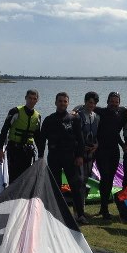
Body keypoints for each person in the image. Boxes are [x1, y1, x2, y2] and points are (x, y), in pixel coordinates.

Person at [37, 92, 88, 224]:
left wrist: (80, 156)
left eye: (65, 101)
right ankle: (55, 212)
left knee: (75, 185)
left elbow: (80, 140)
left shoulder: (74, 119)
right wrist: (41, 156)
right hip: (54, 156)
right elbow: (42, 140)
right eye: (60, 101)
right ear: (55, 102)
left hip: (71, 157)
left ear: (68, 103)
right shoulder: (49, 120)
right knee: (55, 186)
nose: (62, 103)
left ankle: (79, 214)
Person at [0, 89, 41, 184]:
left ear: (37, 100)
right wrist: (0, 149)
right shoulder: (15, 111)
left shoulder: (37, 116)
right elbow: (4, 130)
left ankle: (22, 197)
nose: (32, 101)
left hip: (28, 150)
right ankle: (12, 196)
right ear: (25, 98)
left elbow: (37, 137)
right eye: (30, 98)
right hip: (14, 149)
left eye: (34, 99)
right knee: (13, 176)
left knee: (25, 176)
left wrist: (41, 155)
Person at [94, 92, 126, 219]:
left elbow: (115, 133)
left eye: (116, 102)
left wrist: (122, 145)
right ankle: (104, 208)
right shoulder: (101, 111)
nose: (114, 104)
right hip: (101, 150)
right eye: (112, 101)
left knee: (110, 179)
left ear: (119, 103)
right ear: (107, 101)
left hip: (114, 150)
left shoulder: (122, 113)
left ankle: (104, 208)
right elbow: (83, 106)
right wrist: (74, 110)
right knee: (105, 177)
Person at [76, 92, 100, 211]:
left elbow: (99, 135)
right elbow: (75, 136)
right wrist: (80, 149)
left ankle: (82, 208)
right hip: (80, 154)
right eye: (89, 102)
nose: (91, 105)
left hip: (91, 153)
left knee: (85, 180)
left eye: (94, 103)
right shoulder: (78, 116)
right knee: (79, 181)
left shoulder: (97, 117)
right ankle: (78, 211)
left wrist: (96, 145)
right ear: (85, 102)